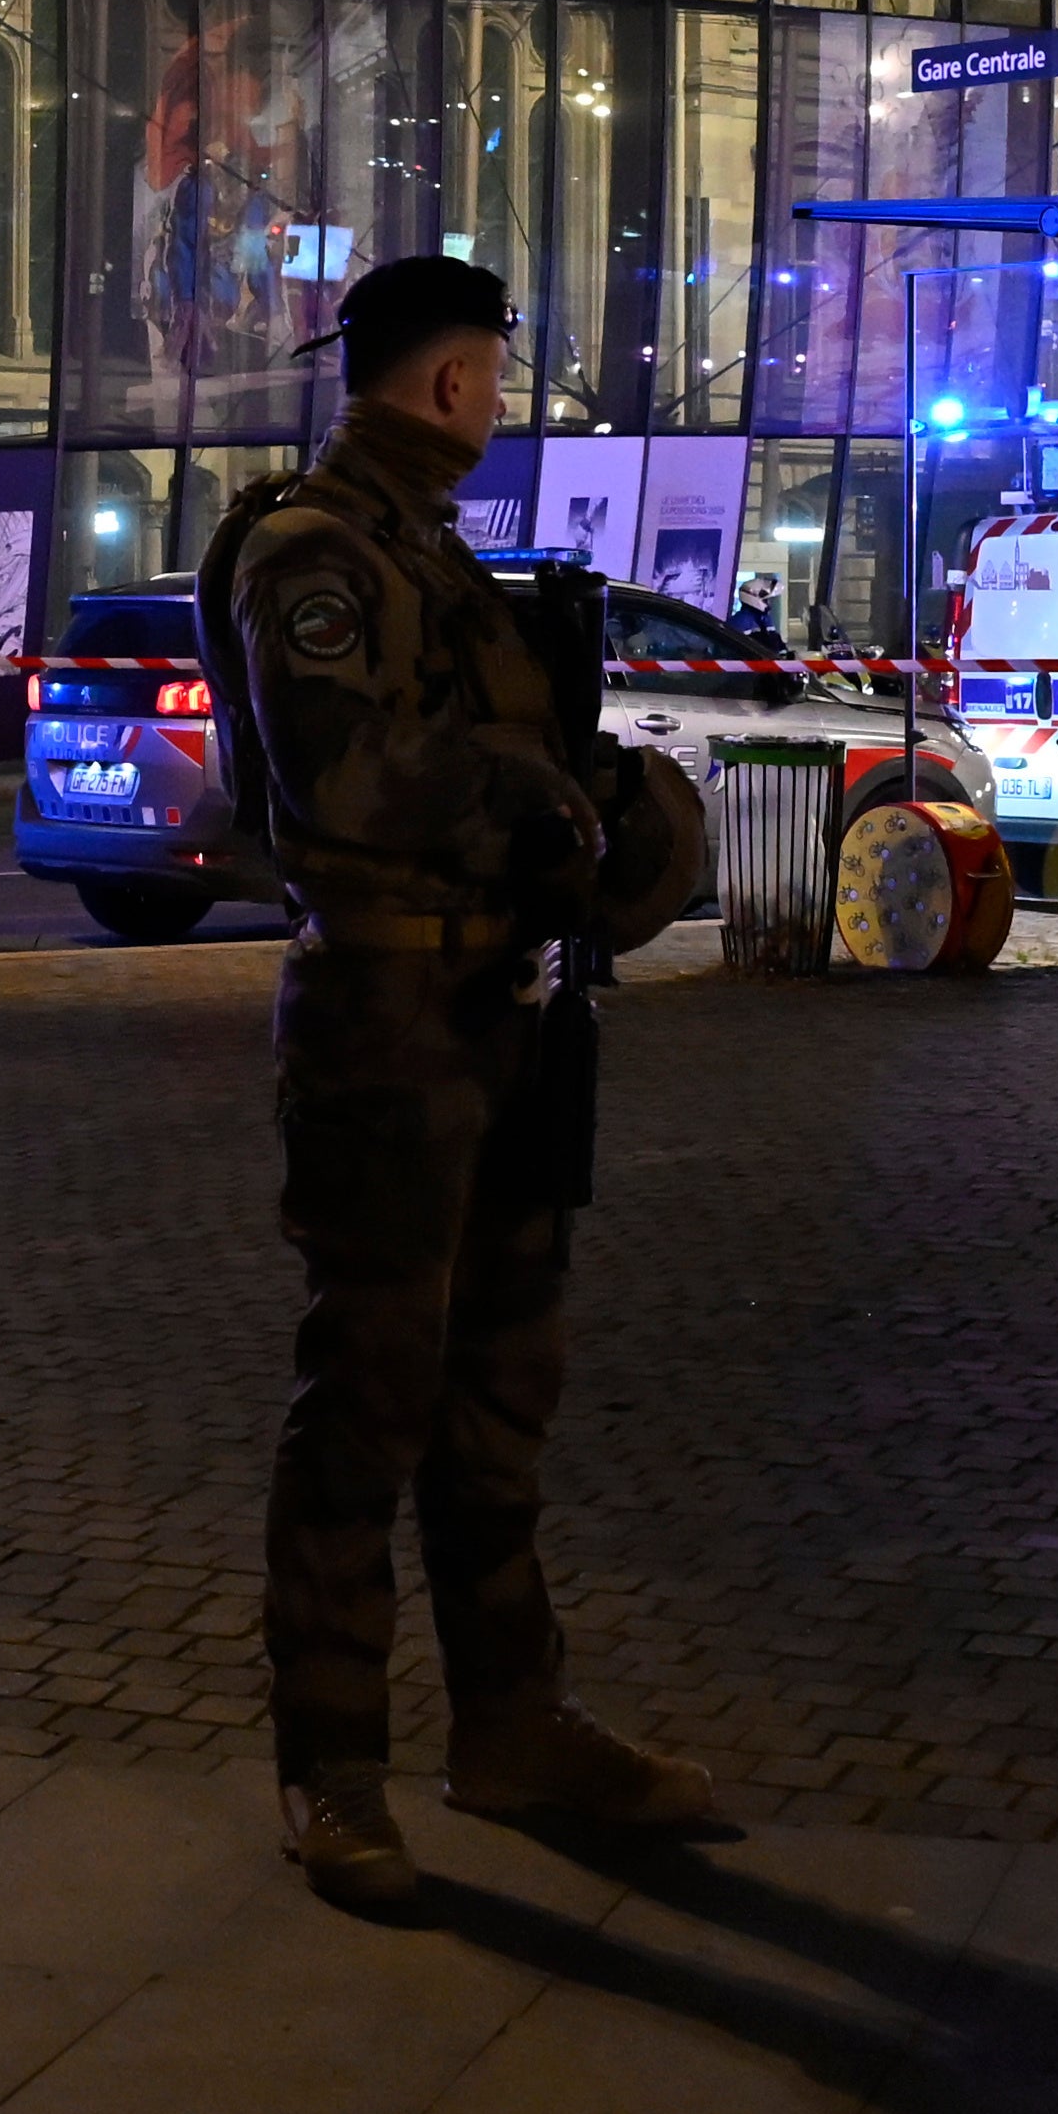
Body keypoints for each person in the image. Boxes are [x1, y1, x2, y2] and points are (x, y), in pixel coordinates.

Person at [195, 251, 715, 1908]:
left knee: (500, 1394)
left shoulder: (433, 556)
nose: (498, 397)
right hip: (383, 1028)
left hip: (500, 1015)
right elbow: (339, 774)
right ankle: (333, 1773)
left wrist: (610, 811)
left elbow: (522, 767)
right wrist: (521, 782)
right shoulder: (310, 552)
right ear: (446, 383)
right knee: (371, 1400)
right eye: (492, 370)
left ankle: (512, 1722)